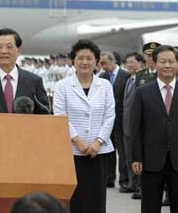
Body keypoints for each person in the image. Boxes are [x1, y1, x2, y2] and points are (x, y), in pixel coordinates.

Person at [131, 45, 178, 213]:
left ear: (177, 64)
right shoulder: (143, 92)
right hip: (151, 160)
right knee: (150, 206)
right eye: (163, 61)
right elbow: (136, 128)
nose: (168, 65)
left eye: (171, 61)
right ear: (155, 64)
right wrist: (136, 157)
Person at [53, 39, 115, 213]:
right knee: (75, 198)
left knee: (96, 198)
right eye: (80, 58)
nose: (85, 62)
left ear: (96, 61)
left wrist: (98, 141)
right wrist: (77, 140)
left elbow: (110, 116)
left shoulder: (105, 86)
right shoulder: (62, 86)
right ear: (73, 61)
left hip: (98, 151)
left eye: (89, 58)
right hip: (72, 151)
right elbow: (59, 116)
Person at [99, 52, 131, 190]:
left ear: (113, 61)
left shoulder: (125, 76)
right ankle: (109, 178)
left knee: (122, 153)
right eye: (101, 63)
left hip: (120, 120)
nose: (103, 66)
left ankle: (124, 180)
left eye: (105, 63)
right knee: (108, 152)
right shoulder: (102, 77)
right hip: (106, 121)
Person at [121, 52, 144, 200]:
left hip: (137, 125)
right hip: (126, 124)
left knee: (138, 156)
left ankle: (141, 187)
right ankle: (132, 184)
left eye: (131, 62)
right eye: (127, 62)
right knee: (129, 156)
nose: (128, 65)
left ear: (140, 63)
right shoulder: (129, 80)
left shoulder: (143, 80)